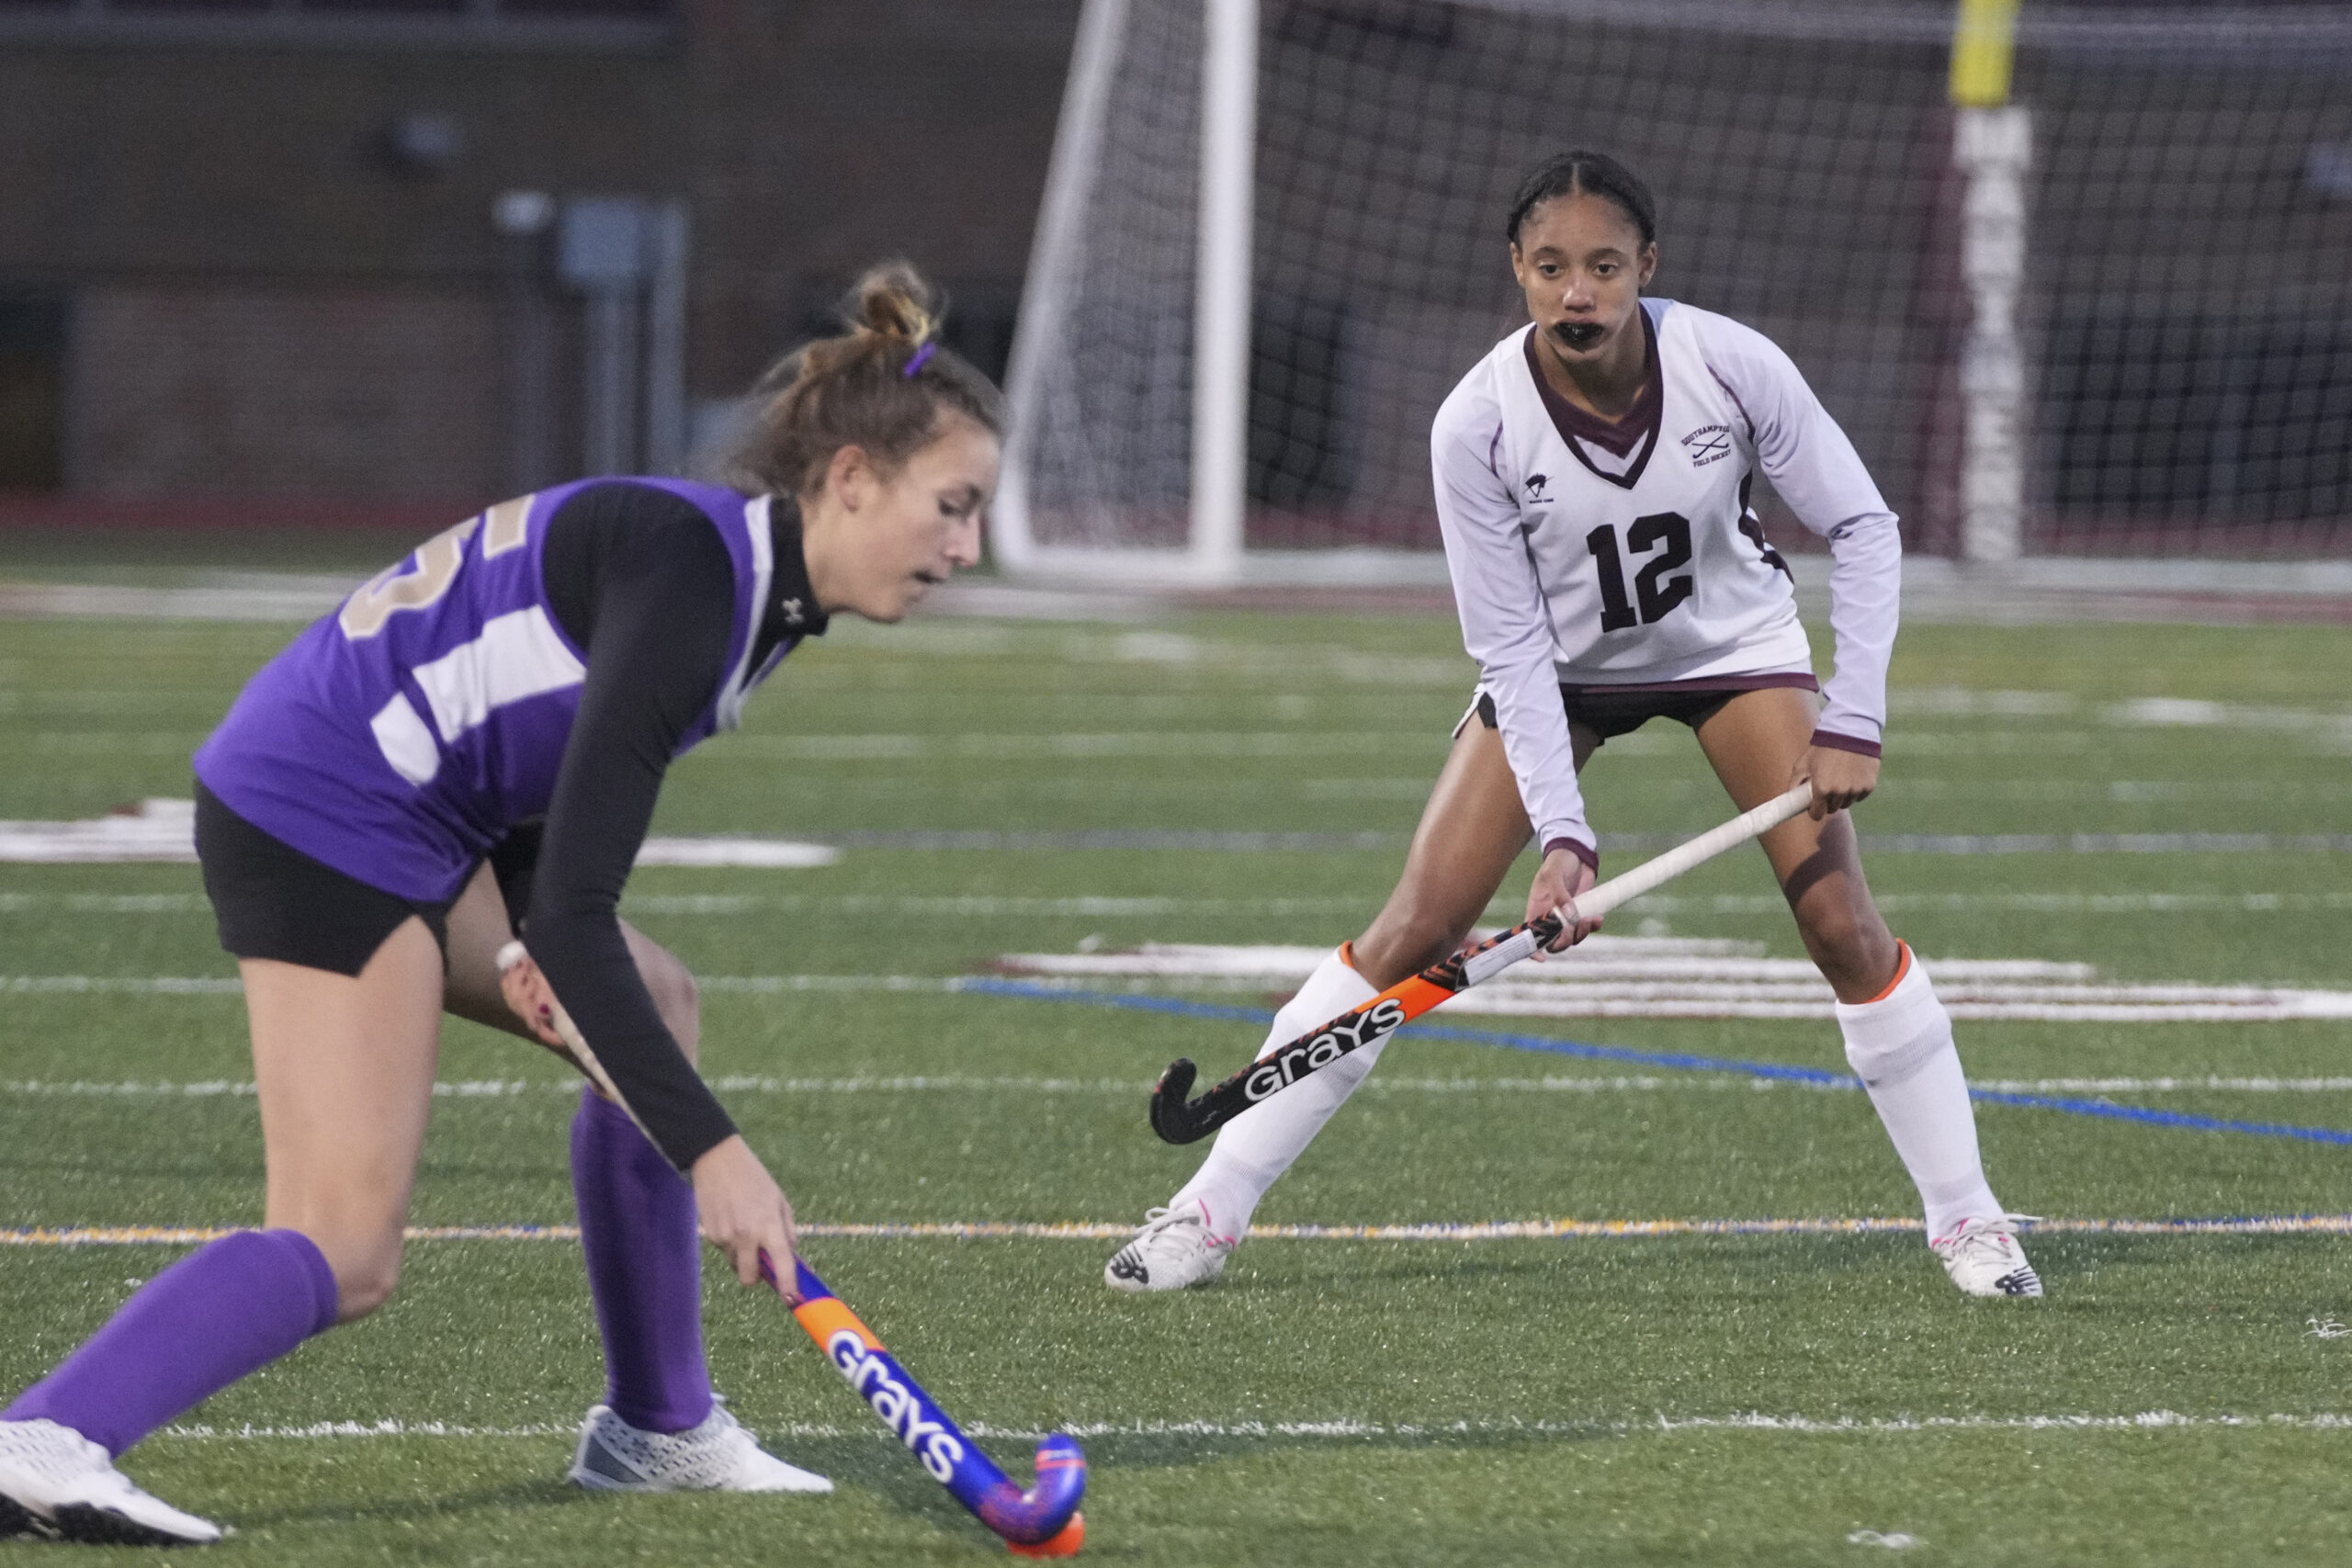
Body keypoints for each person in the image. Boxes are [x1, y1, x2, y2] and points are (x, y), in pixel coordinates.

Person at [0, 263, 1003, 1547]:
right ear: (854, 477)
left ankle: (658, 1427)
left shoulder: (744, 585)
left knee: (652, 1000)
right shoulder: (698, 579)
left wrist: (535, 931)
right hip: (323, 810)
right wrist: (718, 1155)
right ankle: (51, 1428)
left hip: (419, 808)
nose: (968, 548)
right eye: (953, 507)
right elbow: (579, 900)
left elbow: (525, 769)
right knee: (347, 1244)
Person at [1104, 152, 2040, 1304]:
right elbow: (1509, 651)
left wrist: (1853, 713)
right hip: (1559, 673)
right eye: (1550, 268)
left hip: (1730, 654)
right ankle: (1209, 1208)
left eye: (1602, 266)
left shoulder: (1730, 366)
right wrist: (1565, 833)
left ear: (1646, 266)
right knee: (1412, 926)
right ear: (1517, 272)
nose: (1576, 292)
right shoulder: (1477, 425)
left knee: (1843, 924)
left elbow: (1864, 526)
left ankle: (1969, 1222)